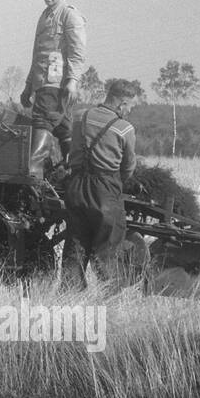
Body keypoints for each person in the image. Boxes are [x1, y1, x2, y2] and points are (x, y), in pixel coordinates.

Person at [63, 78, 139, 288]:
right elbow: (128, 167)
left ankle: (68, 294)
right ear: (122, 103)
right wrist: (115, 185)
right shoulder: (125, 128)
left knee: (76, 243)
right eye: (131, 105)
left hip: (76, 186)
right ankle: (110, 298)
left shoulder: (81, 116)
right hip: (105, 190)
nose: (130, 110)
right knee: (108, 248)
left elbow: (72, 147)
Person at [21, 0, 86, 176]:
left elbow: (77, 52)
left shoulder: (69, 15)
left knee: (43, 122)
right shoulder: (45, 16)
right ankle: (71, 173)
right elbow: (37, 55)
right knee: (63, 128)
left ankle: (33, 173)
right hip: (44, 84)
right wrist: (28, 85)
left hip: (56, 85)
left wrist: (73, 81)